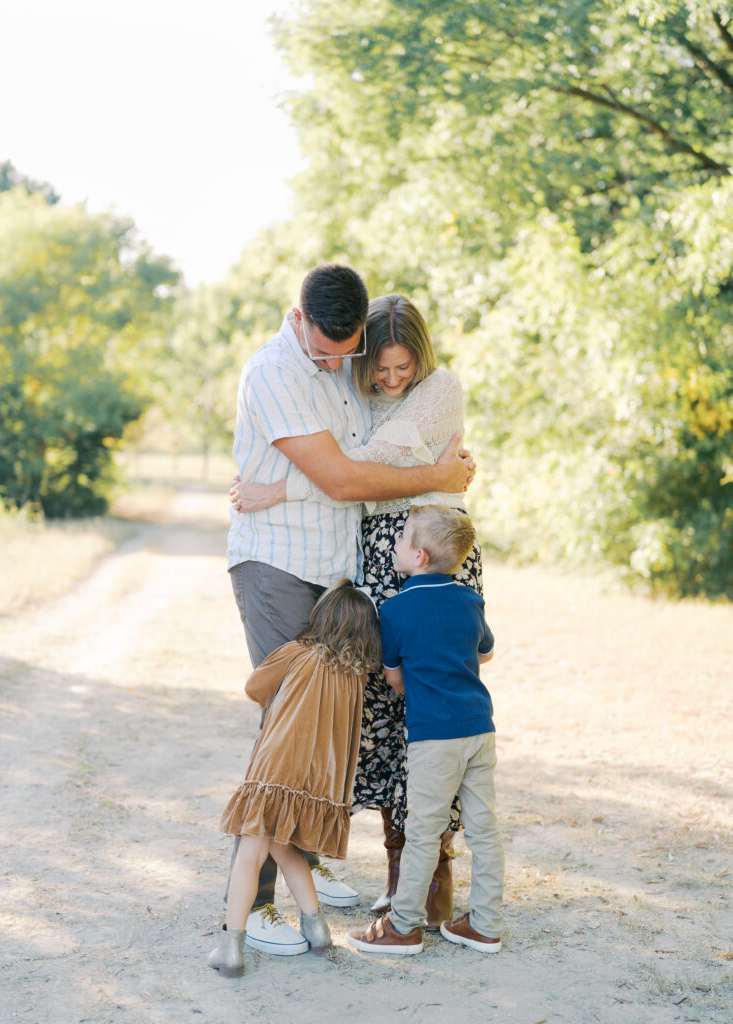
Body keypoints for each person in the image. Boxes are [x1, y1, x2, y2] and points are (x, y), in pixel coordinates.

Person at [226, 267, 474, 956]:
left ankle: (305, 858)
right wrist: (438, 477)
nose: (341, 364)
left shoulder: (346, 362)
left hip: (339, 573)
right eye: (328, 351)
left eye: (348, 350)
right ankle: (257, 907)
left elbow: (356, 470)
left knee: (332, 725)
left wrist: (280, 488)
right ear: (297, 318)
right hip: (277, 566)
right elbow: (342, 477)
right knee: (287, 727)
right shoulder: (273, 372)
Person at [346, 505, 503, 956]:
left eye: (401, 540)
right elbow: (485, 653)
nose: (395, 546)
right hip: (479, 728)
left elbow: (394, 678)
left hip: (434, 737)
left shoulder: (395, 610)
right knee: (484, 829)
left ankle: (403, 926)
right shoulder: (470, 600)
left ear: (417, 556)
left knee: (422, 832)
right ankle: (486, 925)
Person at [208, 579, 383, 977]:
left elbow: (254, 688)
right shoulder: (356, 677)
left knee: (249, 856)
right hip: (316, 785)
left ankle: (230, 947)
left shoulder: (296, 653)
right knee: (287, 849)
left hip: (275, 772)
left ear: (320, 617)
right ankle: (317, 930)